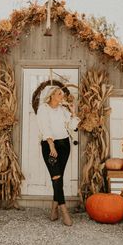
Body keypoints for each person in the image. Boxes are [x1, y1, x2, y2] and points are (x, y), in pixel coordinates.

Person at [36, 85, 79, 226]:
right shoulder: (43, 108)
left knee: (58, 178)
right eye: (59, 94)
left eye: (62, 94)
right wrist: (51, 145)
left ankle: (54, 208)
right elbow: (44, 126)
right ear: (52, 95)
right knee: (56, 176)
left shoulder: (63, 110)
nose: (62, 96)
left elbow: (72, 127)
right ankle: (64, 211)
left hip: (64, 145)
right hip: (50, 145)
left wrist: (73, 113)